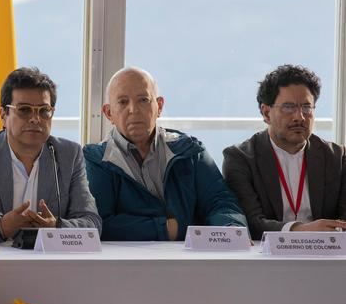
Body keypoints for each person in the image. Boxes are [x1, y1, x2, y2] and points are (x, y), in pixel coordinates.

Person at [83, 67, 246, 241]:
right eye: (123, 102)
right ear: (109, 113)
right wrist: (166, 229)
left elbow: (220, 201)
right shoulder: (97, 160)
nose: (133, 109)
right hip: (128, 263)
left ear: (159, 106)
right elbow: (99, 223)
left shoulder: (189, 150)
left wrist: (231, 229)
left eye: (143, 100)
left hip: (191, 258)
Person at [0, 67, 101, 243]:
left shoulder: (69, 155)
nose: (35, 118)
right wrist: (0, 227)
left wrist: (57, 227)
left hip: (52, 264)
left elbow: (92, 223)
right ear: (4, 115)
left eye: (44, 110)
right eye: (24, 110)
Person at [223, 65, 346, 240]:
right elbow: (251, 223)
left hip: (325, 256)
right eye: (289, 107)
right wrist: (300, 231)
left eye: (306, 107)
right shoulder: (240, 158)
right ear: (266, 113)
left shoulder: (337, 157)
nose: (299, 117)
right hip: (264, 258)